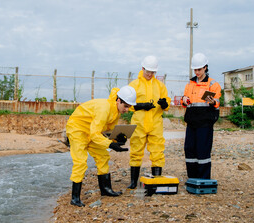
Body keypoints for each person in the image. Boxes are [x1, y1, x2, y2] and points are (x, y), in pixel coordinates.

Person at [66, 85, 137, 207]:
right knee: (80, 162)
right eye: (126, 106)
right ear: (118, 100)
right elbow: (95, 134)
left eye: (129, 107)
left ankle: (105, 190)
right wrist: (110, 144)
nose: (127, 110)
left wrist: (117, 138)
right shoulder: (104, 108)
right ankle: (75, 198)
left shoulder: (115, 111)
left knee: (103, 157)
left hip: (92, 131)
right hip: (77, 130)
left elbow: (105, 129)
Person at [127, 55, 171, 189]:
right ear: (142, 68)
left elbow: (167, 103)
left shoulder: (160, 86)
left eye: (153, 72)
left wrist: (164, 104)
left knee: (157, 150)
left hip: (155, 123)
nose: (150, 74)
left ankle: (156, 179)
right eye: (148, 71)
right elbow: (128, 104)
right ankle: (133, 182)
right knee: (136, 151)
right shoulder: (134, 85)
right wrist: (141, 106)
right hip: (139, 124)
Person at [180, 53, 221, 179]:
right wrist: (184, 100)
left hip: (205, 123)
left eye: (199, 69)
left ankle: (203, 179)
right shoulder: (190, 84)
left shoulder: (213, 84)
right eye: (195, 69)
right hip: (192, 122)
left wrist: (212, 101)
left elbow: (217, 104)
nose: (197, 72)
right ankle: (192, 178)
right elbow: (184, 101)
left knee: (202, 150)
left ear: (205, 68)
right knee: (189, 149)